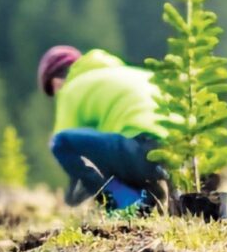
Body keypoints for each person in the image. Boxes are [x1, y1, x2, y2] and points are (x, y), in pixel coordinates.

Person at [38, 45, 167, 212]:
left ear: (56, 82)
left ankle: (124, 207)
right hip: (179, 151)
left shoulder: (72, 87)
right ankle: (149, 199)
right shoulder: (134, 74)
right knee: (114, 154)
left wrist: (73, 196)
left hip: (141, 149)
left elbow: (66, 141)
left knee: (60, 142)